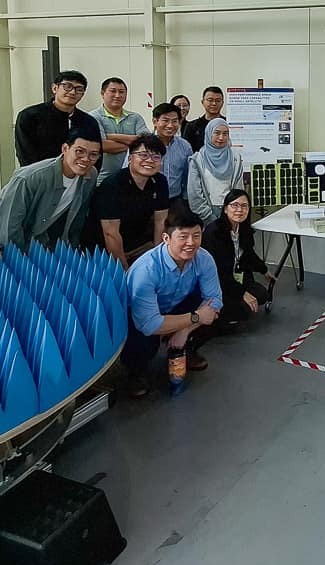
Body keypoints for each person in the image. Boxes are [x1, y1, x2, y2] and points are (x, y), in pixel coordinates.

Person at [123, 207, 223, 397]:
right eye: (183, 237)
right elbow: (149, 324)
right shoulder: (147, 270)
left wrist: (184, 329)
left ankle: (184, 348)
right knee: (142, 344)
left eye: (196, 236)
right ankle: (135, 373)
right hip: (139, 317)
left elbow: (215, 299)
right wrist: (195, 318)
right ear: (166, 238)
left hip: (174, 308)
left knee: (214, 316)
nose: (191, 243)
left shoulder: (203, 258)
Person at [0, 130, 100, 257]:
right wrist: (20, 259)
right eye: (79, 152)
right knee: (5, 277)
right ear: (65, 149)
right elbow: (8, 224)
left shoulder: (90, 176)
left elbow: (77, 218)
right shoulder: (31, 177)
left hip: (24, 233)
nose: (85, 159)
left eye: (93, 155)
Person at [85, 134, 170, 268]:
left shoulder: (160, 181)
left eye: (156, 157)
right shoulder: (112, 185)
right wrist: (125, 270)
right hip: (103, 249)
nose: (149, 160)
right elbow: (111, 234)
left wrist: (159, 260)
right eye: (143, 155)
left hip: (138, 245)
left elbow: (161, 222)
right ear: (130, 158)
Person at [201, 188, 274, 327]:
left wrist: (264, 270)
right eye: (234, 205)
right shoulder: (214, 232)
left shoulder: (243, 229)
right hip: (217, 282)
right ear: (225, 209)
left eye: (244, 206)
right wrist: (242, 293)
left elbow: (249, 254)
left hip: (235, 277)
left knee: (262, 294)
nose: (239, 210)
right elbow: (218, 272)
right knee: (243, 310)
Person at [14, 70, 102, 166]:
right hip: (38, 176)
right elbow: (25, 154)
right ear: (55, 88)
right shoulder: (30, 116)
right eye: (67, 86)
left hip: (78, 177)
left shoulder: (89, 122)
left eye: (79, 89)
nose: (73, 92)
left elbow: (96, 153)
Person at [90, 77, 150, 183]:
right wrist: (133, 145)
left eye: (121, 92)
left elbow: (146, 142)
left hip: (133, 178)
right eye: (113, 91)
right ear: (102, 93)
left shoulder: (135, 117)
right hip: (102, 178)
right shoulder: (93, 117)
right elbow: (101, 145)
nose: (117, 95)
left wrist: (110, 136)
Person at [186, 118, 245, 224]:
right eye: (217, 133)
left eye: (225, 133)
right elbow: (194, 194)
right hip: (206, 216)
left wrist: (233, 213)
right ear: (209, 134)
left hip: (230, 214)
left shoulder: (235, 158)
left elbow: (238, 190)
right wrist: (209, 217)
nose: (221, 138)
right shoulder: (197, 159)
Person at [151, 102, 194, 212]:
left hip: (175, 201)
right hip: (148, 200)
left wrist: (185, 201)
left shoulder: (185, 146)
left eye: (174, 121)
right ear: (155, 121)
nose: (170, 125)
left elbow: (187, 176)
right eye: (165, 120)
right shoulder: (143, 145)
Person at [183, 86, 226, 152]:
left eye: (218, 100)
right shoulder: (192, 126)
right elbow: (186, 150)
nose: (214, 103)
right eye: (210, 100)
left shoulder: (228, 124)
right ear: (202, 102)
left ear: (222, 103)